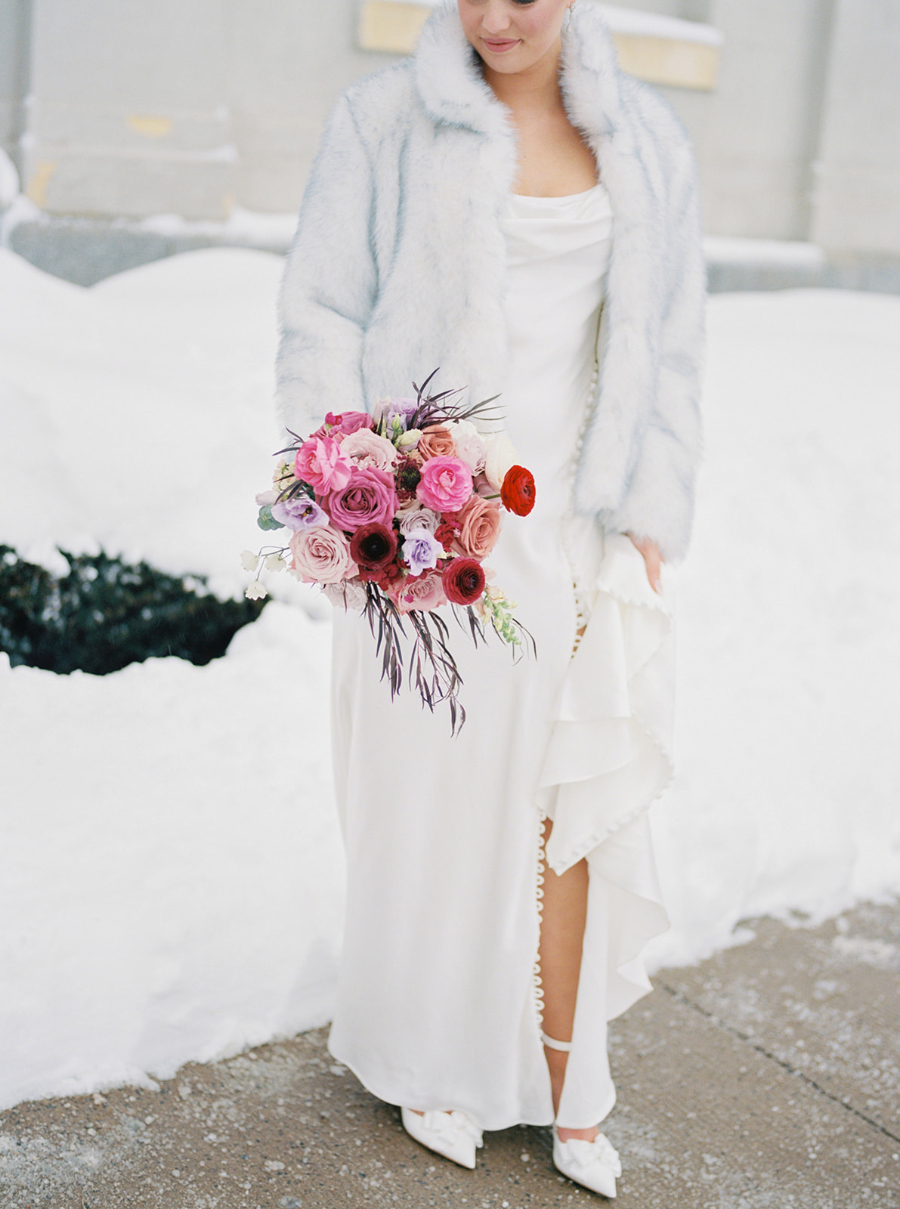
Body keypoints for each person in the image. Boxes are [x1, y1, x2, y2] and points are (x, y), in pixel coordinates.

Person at [276, 0, 704, 1197]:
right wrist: (357, 479)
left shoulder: (647, 143)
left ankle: (571, 1084)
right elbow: (319, 314)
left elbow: (669, 346)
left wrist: (651, 510)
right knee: (433, 810)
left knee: (562, 808)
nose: (498, 15)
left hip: (568, 522)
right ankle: (436, 1057)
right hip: (430, 531)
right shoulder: (382, 124)